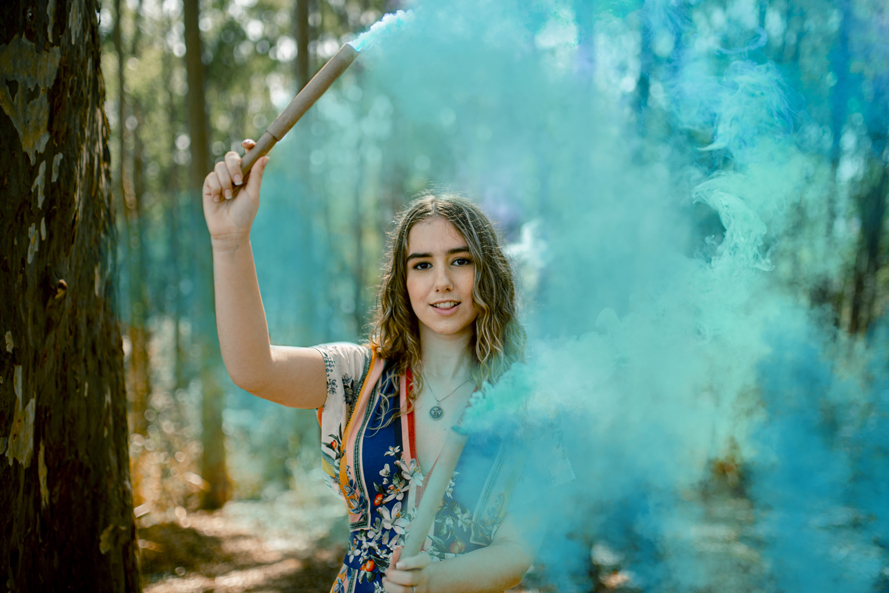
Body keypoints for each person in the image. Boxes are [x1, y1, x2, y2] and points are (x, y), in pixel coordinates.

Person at [202, 141, 572, 593]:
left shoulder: (527, 403)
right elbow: (254, 368)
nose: (441, 281)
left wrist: (435, 580)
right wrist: (229, 242)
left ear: (487, 272)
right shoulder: (358, 375)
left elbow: (518, 551)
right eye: (422, 265)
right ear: (404, 280)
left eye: (460, 260)